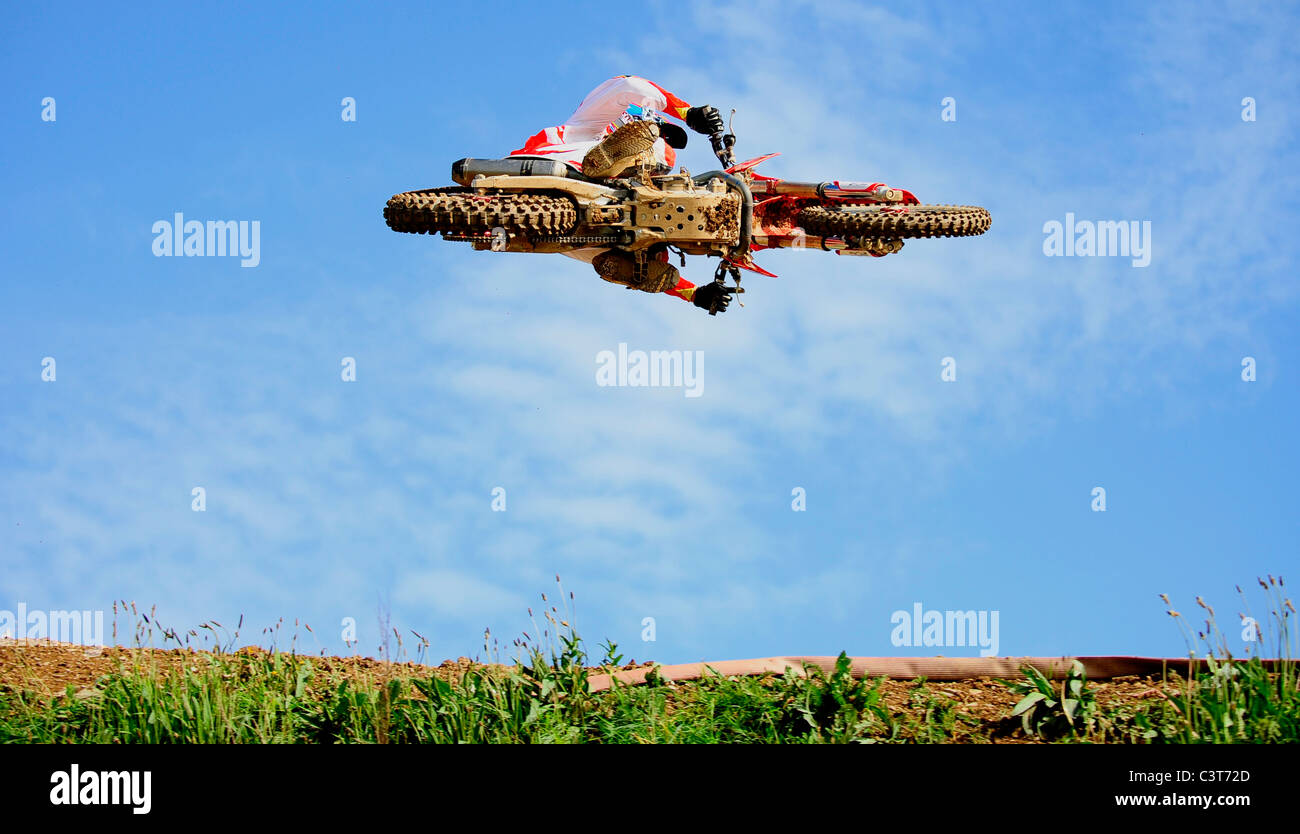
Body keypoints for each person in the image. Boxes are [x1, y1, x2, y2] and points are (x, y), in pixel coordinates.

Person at [510, 75, 734, 314]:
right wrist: (687, 113)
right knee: (659, 153)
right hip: (554, 161)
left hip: (562, 225)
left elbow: (658, 272)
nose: (664, 139)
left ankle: (630, 262)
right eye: (661, 131)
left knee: (652, 253)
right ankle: (609, 161)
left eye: (663, 135)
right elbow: (628, 85)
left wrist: (695, 294)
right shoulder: (591, 122)